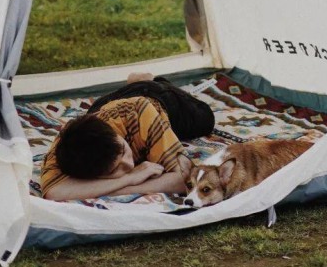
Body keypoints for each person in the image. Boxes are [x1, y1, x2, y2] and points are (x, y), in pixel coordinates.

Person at [40, 71, 215, 202]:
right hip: (105, 105)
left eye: (124, 150)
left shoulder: (142, 115)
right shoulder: (68, 144)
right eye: (116, 169)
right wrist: (128, 179)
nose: (130, 164)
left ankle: (150, 82)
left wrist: (108, 187)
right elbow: (54, 192)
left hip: (155, 99)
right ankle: (134, 85)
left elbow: (184, 180)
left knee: (205, 119)